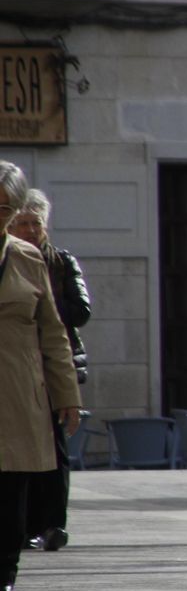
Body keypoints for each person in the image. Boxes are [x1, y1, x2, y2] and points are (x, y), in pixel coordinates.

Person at [0, 161, 83, 591]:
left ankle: (3, 578)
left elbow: (54, 332)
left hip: (18, 391)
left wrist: (67, 394)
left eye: (4, 209)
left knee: (13, 493)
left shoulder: (29, 259)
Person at [9, 189, 90, 552]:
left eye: (35, 223)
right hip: (15, 368)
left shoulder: (60, 261)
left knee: (55, 450)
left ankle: (53, 523)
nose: (30, 230)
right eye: (22, 223)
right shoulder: (12, 260)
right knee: (18, 451)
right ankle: (22, 524)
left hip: (53, 366)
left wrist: (43, 307)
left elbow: (79, 311)